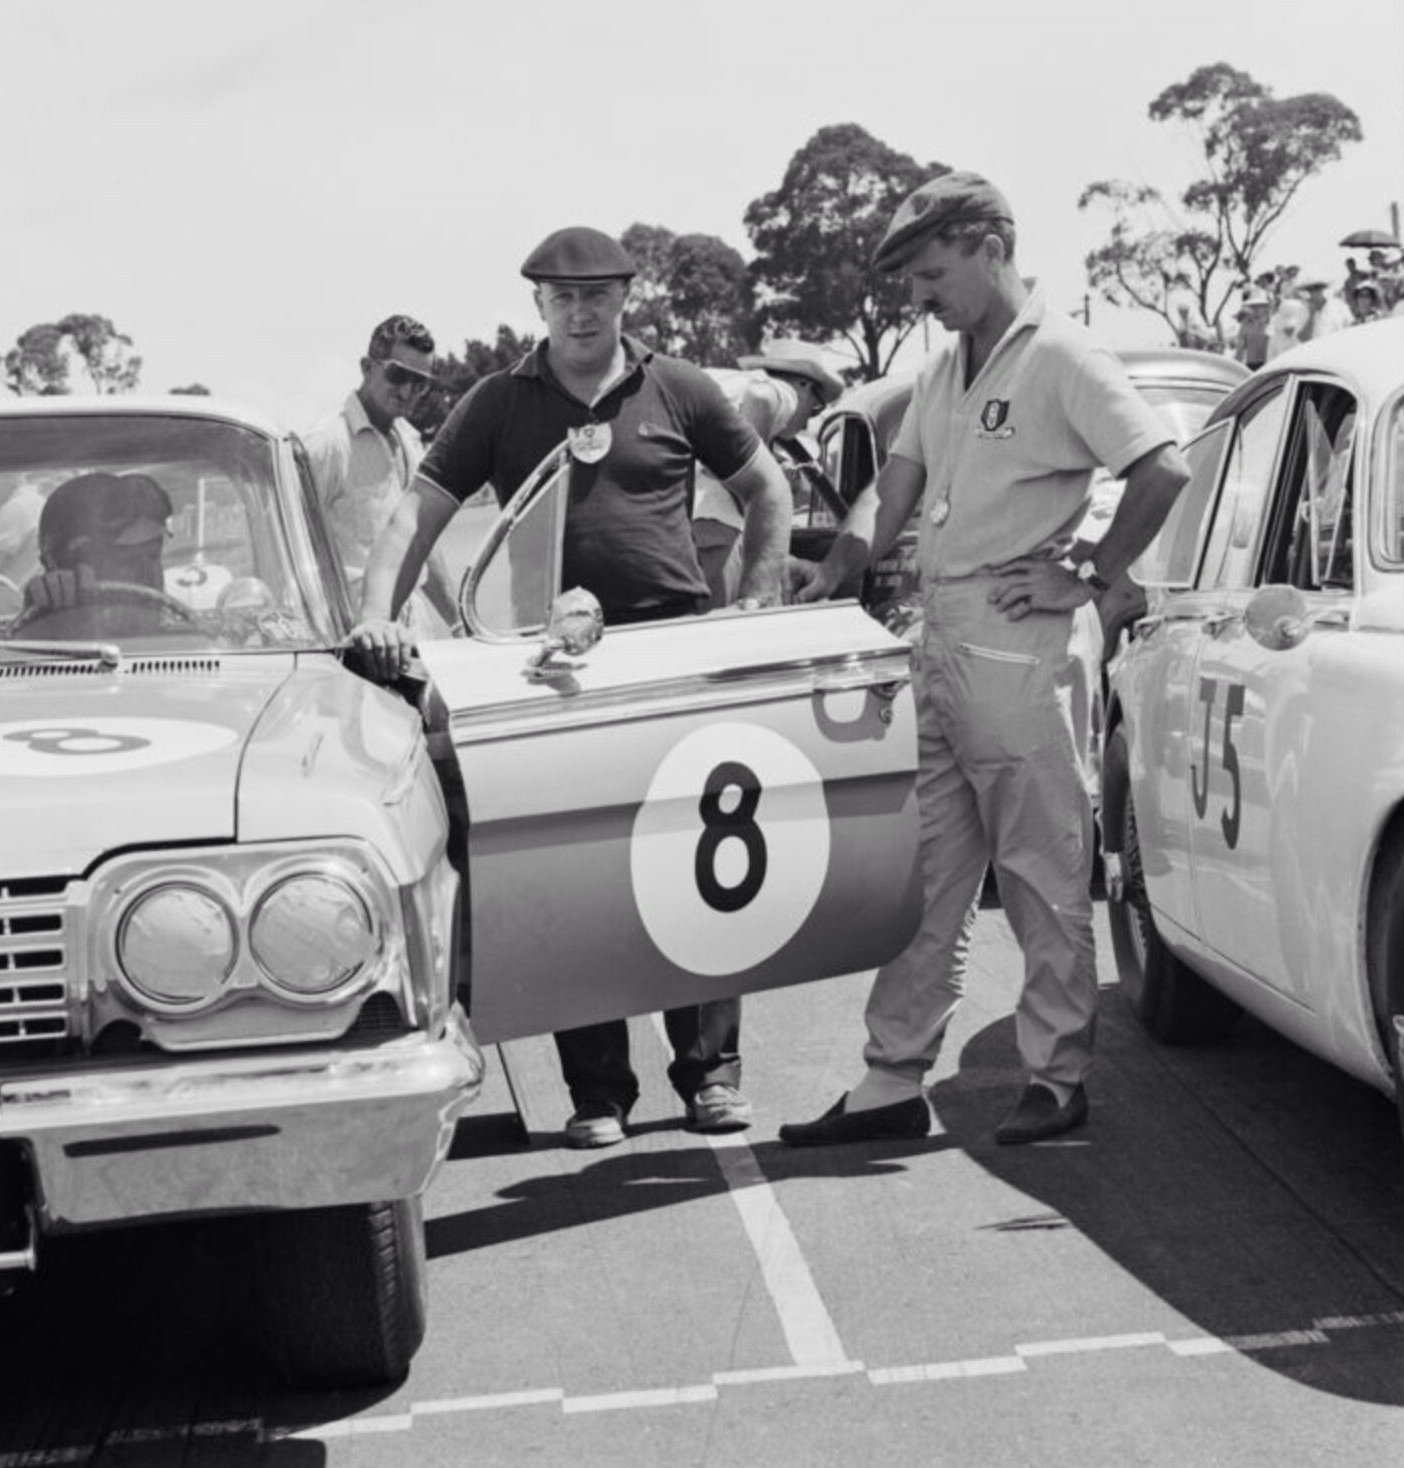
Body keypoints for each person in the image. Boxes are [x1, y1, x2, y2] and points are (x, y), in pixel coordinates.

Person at [350, 225, 792, 1148]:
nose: (581, 313)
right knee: (572, 875)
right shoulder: (497, 401)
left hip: (668, 657)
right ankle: (599, 1094)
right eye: (563, 297)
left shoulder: (680, 387)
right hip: (552, 668)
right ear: (539, 305)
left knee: (692, 863)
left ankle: (711, 1076)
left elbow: (768, 489)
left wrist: (757, 604)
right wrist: (375, 619)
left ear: (627, 298)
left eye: (597, 296)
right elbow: (414, 517)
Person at [777, 172, 1189, 1148]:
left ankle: (1054, 1076)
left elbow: (1160, 468)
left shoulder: (1062, 355)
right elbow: (893, 490)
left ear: (990, 249)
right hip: (941, 639)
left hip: (1019, 645)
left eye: (932, 273)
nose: (920, 297)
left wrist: (1087, 572)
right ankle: (891, 1077)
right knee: (925, 878)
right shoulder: (941, 370)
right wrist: (834, 569)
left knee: (1042, 872)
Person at [303, 314, 459, 633]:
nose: (407, 391)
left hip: (415, 634)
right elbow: (293, 553)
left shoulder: (411, 442)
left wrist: (458, 623)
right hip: (354, 638)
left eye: (420, 383)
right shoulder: (325, 445)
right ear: (367, 367)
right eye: (398, 374)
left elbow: (422, 542)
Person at [692, 339, 844, 607]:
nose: (808, 419)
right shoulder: (779, 389)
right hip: (715, 534)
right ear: (803, 385)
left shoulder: (720, 385)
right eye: (816, 406)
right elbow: (761, 398)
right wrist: (756, 483)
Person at [12, 471, 176, 637]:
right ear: (70, 565)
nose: (148, 573)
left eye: (153, 556)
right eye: (128, 560)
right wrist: (43, 623)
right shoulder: (46, 634)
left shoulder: (184, 637)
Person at [1231, 287, 1272, 370]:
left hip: (1270, 365)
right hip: (1251, 366)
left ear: (1266, 307)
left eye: (1260, 306)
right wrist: (1235, 368)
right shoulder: (1245, 325)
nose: (1256, 309)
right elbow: (1240, 349)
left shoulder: (1272, 323)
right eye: (1253, 306)